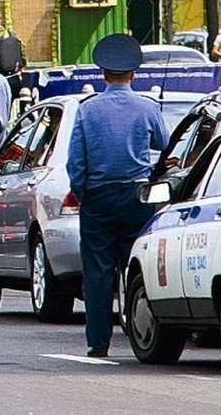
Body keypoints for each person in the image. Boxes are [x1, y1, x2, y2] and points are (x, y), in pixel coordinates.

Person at [66, 33, 169, 358]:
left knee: (96, 272)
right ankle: (144, 333)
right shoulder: (147, 107)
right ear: (133, 74)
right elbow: (163, 145)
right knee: (138, 266)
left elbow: (76, 162)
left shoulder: (87, 110)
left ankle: (98, 342)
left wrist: (84, 192)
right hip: (137, 197)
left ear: (103, 74)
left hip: (97, 199)